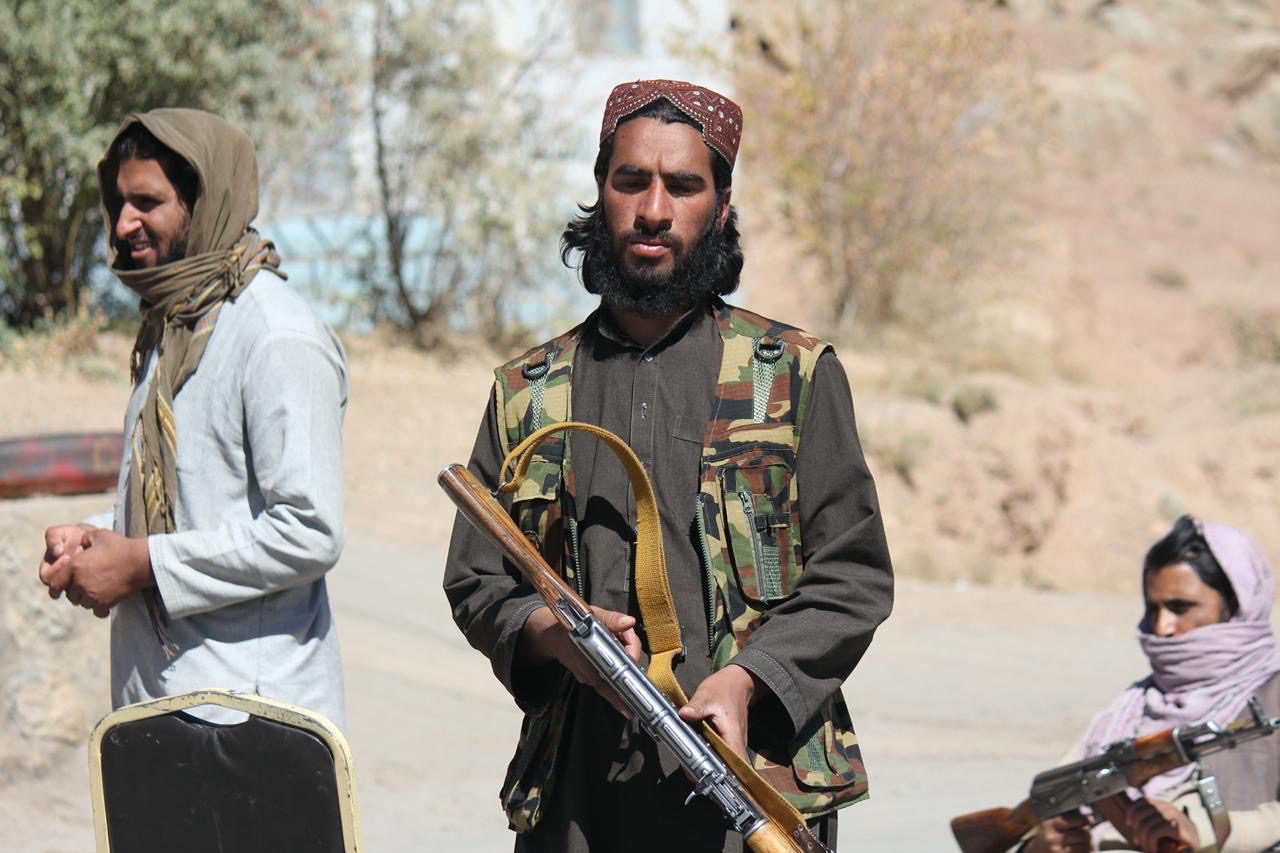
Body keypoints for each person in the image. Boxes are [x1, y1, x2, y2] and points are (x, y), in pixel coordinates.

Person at [443, 79, 894, 852]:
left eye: (683, 185)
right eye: (632, 181)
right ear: (601, 191)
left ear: (720, 206)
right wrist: (548, 632)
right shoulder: (530, 390)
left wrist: (748, 680)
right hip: (578, 797)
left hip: (750, 786)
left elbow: (852, 576)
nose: (653, 209)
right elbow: (476, 579)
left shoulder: (790, 374)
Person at [36, 110, 348, 727]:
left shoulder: (276, 335)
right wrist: (96, 537)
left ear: (202, 202)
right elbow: (198, 502)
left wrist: (141, 564)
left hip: (249, 715)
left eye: (147, 203)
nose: (123, 224)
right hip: (160, 699)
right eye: (120, 203)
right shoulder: (176, 323)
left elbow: (309, 530)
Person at [1028, 516, 1280, 853]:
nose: (1162, 627)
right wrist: (1039, 846)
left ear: (1237, 605)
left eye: (1180, 607)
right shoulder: (1130, 709)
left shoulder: (1273, 696)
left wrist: (1208, 831)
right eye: (1153, 608)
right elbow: (1051, 799)